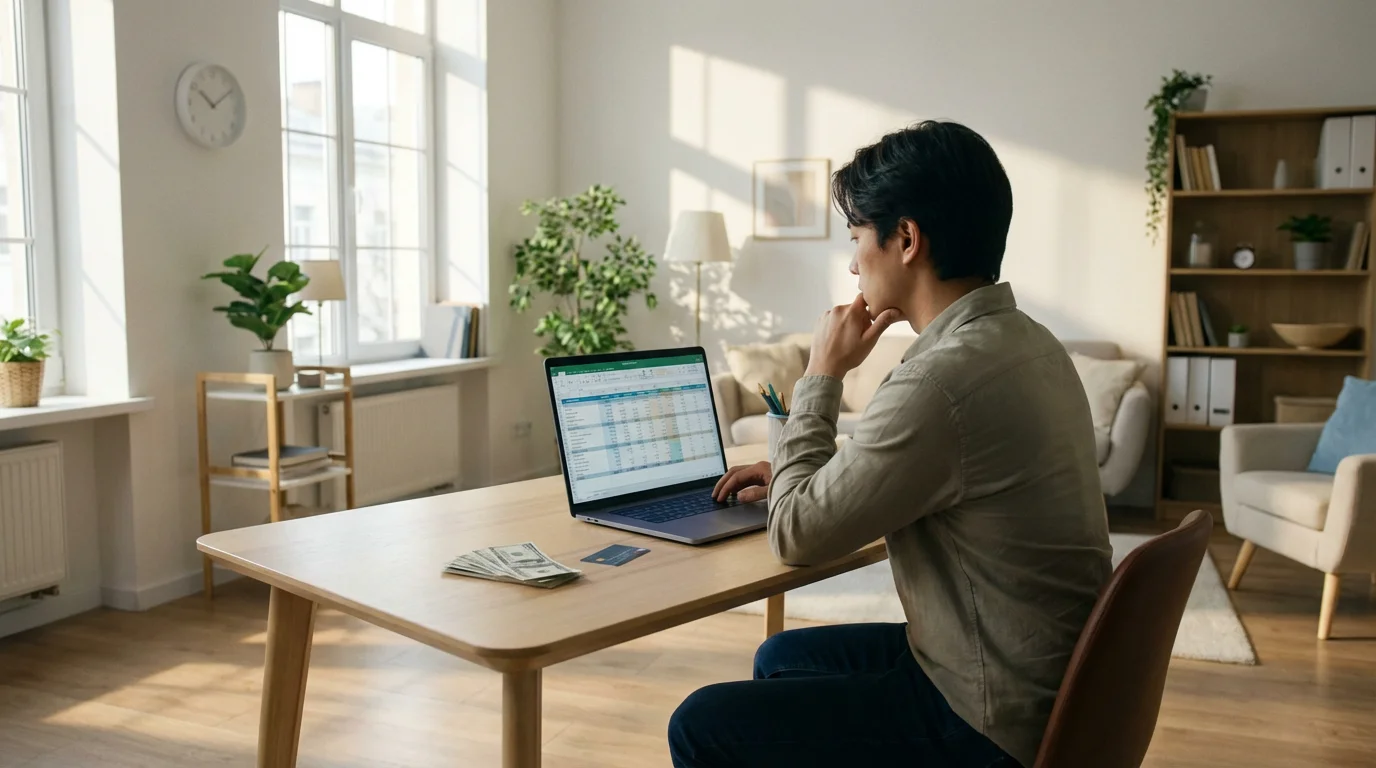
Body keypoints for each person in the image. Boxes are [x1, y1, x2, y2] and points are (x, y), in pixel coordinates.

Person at [667, 121, 1112, 768]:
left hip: (987, 716)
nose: (851, 263)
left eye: (855, 237)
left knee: (701, 724)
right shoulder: (1028, 342)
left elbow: (796, 535)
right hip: (1043, 675)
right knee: (779, 658)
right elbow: (926, 473)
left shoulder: (940, 381)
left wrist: (821, 372)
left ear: (906, 239)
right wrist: (806, 470)